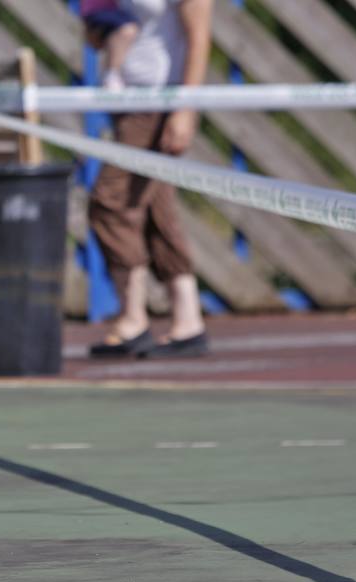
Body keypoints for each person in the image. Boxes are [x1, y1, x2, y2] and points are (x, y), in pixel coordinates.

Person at [87, 0, 212, 359]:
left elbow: (199, 37)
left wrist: (185, 109)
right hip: (128, 101)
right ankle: (188, 321)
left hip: (158, 103)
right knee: (158, 210)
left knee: (111, 202)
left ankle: (132, 318)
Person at [81, 0, 140, 91]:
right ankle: (111, 75)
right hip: (99, 11)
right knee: (128, 30)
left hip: (98, 11)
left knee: (122, 33)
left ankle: (110, 75)